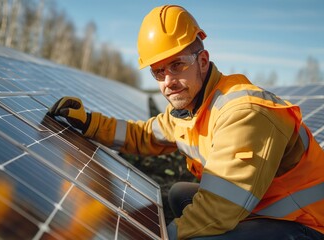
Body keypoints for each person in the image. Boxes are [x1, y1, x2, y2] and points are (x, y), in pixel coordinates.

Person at [48, 4, 324, 240]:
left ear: (202, 61)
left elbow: (217, 209)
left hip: (304, 223)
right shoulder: (189, 109)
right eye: (158, 72)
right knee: (180, 194)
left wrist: (162, 235)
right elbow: (142, 135)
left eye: (177, 65)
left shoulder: (244, 113)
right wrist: (89, 124)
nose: (168, 81)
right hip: (257, 205)